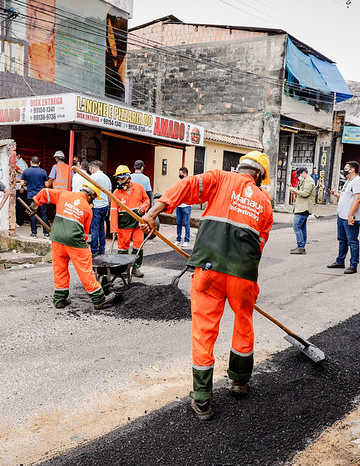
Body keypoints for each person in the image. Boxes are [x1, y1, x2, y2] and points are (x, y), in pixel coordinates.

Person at [141, 150, 274, 421]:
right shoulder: (265, 202)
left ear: (240, 168)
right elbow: (259, 246)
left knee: (204, 330)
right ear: (260, 176)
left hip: (208, 269)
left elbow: (186, 186)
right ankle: (240, 380)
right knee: (244, 323)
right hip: (243, 275)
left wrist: (153, 212)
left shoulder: (219, 178)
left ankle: (202, 398)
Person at [28, 184, 118, 310]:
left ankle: (60, 299)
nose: (92, 202)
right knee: (84, 270)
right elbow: (85, 235)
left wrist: (34, 204)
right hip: (75, 242)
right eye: (93, 198)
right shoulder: (87, 209)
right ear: (89, 195)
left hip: (57, 239)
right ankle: (99, 299)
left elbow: (44, 192)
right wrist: (82, 248)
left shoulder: (63, 194)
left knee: (60, 269)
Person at [111, 165, 150, 278]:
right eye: (118, 179)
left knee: (139, 246)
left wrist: (143, 207)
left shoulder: (138, 187)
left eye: (122, 179)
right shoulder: (116, 193)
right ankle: (123, 269)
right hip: (123, 224)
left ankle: (136, 268)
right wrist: (114, 229)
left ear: (129, 178)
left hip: (138, 223)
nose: (120, 181)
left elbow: (146, 199)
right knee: (123, 248)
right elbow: (113, 212)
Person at [328, 161, 360, 274]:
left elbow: (357, 199)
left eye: (346, 169)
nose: (344, 171)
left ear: (352, 170)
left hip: (351, 217)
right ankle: (340, 261)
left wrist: (350, 215)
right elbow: (346, 197)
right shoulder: (349, 182)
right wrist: (336, 194)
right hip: (342, 216)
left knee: (352, 241)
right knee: (342, 239)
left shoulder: (358, 181)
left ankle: (353, 265)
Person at [85, 160, 112, 256]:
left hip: (95, 206)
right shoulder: (107, 178)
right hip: (105, 206)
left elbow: (87, 192)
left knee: (95, 228)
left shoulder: (93, 177)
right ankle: (102, 248)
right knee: (101, 227)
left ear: (92, 168)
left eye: (90, 169)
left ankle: (94, 249)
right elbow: (109, 193)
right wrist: (108, 205)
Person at [21, 156, 50, 238]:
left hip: (31, 196)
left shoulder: (26, 171)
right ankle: (46, 233)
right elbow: (47, 185)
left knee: (32, 213)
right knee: (43, 214)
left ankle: (34, 233)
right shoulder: (43, 171)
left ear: (30, 162)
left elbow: (22, 183)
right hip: (41, 196)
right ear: (39, 163)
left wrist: (28, 184)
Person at [291, 167, 315, 255]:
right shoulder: (305, 181)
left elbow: (305, 194)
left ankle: (300, 247)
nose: (299, 177)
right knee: (302, 228)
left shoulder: (309, 181)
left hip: (303, 208)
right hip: (302, 207)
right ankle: (301, 246)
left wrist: (294, 190)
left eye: (300, 174)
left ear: (304, 172)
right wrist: (296, 192)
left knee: (296, 227)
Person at [175, 166, 192, 247]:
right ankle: (178, 239)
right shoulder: (180, 182)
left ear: (185, 173)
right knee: (178, 222)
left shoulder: (190, 182)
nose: (180, 175)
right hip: (179, 205)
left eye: (181, 174)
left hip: (186, 206)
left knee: (186, 223)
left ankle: (187, 240)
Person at [13, 153, 29, 226]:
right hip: (14, 187)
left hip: (20, 187)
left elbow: (25, 175)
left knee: (19, 206)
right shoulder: (13, 163)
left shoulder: (23, 163)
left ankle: (19, 222)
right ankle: (15, 221)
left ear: (18, 156)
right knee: (15, 205)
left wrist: (23, 187)